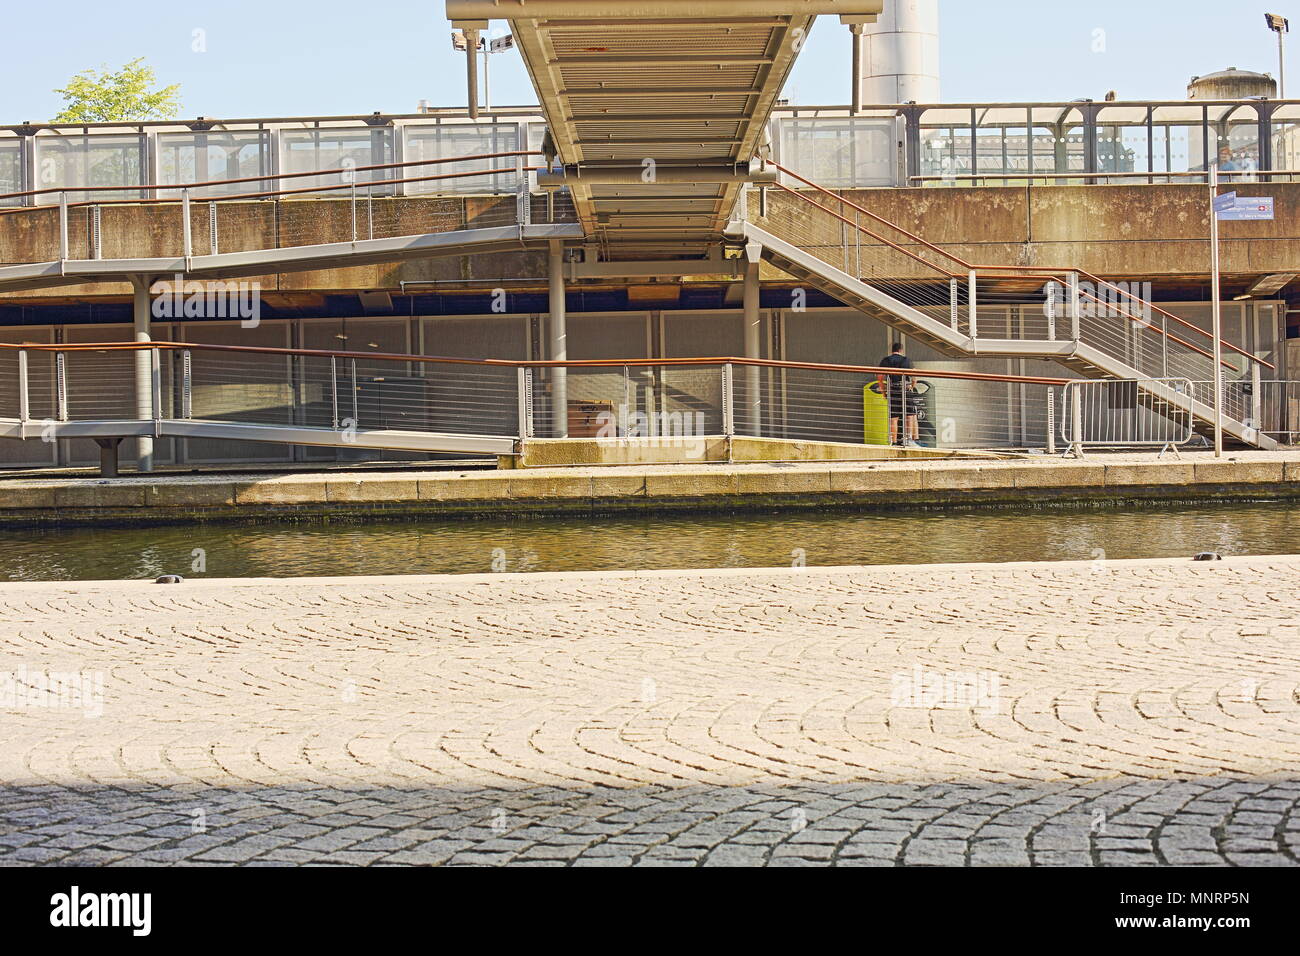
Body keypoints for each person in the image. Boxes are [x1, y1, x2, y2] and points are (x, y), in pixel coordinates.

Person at [877, 342, 919, 447]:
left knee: (893, 417)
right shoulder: (906, 360)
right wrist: (912, 386)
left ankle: (893, 441)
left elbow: (880, 377)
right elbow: (914, 376)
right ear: (901, 350)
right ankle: (908, 439)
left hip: (893, 390)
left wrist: (884, 392)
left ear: (892, 350)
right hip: (905, 389)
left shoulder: (885, 360)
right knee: (909, 415)